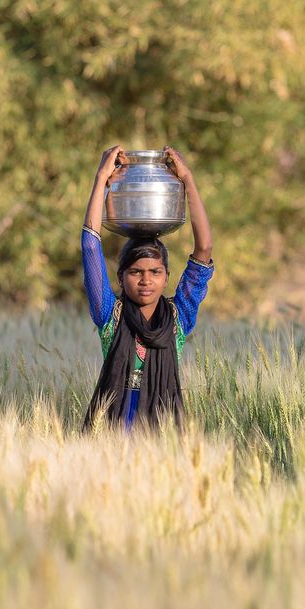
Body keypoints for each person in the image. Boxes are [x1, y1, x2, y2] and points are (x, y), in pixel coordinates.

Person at [80, 144, 214, 430]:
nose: (145, 280)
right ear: (120, 276)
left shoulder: (179, 318)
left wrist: (188, 180)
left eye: (155, 272)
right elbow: (91, 248)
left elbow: (204, 249)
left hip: (162, 432)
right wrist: (101, 179)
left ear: (167, 277)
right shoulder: (110, 316)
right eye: (135, 272)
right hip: (114, 429)